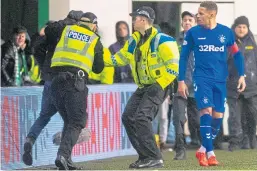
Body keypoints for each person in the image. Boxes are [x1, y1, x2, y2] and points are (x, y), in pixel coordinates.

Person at [104, 6, 179, 169]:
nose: (133, 21)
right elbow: (121, 58)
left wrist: (159, 84)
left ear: (143, 20)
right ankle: (145, 156)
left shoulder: (163, 40)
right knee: (128, 117)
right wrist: (100, 60)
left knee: (141, 117)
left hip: (159, 85)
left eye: (135, 18)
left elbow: (173, 68)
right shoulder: (134, 40)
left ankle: (154, 157)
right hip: (144, 86)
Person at [178, 1, 246, 167]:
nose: (197, 16)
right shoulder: (193, 33)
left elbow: (236, 55)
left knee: (218, 116)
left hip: (220, 80)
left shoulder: (226, 33)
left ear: (211, 14)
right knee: (206, 111)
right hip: (201, 79)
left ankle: (202, 148)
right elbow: (183, 57)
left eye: (200, 13)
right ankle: (210, 153)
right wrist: (181, 80)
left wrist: (242, 75)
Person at [22, 10, 83, 170]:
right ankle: (63, 156)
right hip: (63, 80)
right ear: (76, 21)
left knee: (44, 116)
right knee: (71, 121)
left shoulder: (54, 28)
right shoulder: (72, 32)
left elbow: (36, 47)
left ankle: (30, 140)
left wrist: (44, 66)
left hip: (49, 79)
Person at [50, 12, 104, 170]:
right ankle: (63, 155)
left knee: (69, 120)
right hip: (75, 83)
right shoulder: (94, 39)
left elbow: (48, 31)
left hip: (55, 83)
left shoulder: (66, 30)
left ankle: (66, 160)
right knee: (78, 121)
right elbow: (98, 67)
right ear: (94, 25)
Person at [227, 16, 257, 151]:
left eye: (244, 27)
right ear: (234, 27)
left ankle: (251, 139)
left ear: (248, 28)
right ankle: (235, 143)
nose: (241, 29)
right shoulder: (228, 42)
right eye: (239, 26)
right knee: (234, 117)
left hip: (251, 87)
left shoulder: (253, 42)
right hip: (233, 86)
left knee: (252, 115)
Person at [173, 11, 199, 160]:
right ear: (181, 23)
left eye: (190, 20)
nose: (187, 22)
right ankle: (180, 150)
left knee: (197, 120)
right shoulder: (175, 42)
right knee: (178, 118)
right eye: (185, 20)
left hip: (197, 87)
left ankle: (203, 147)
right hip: (180, 85)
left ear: (194, 22)